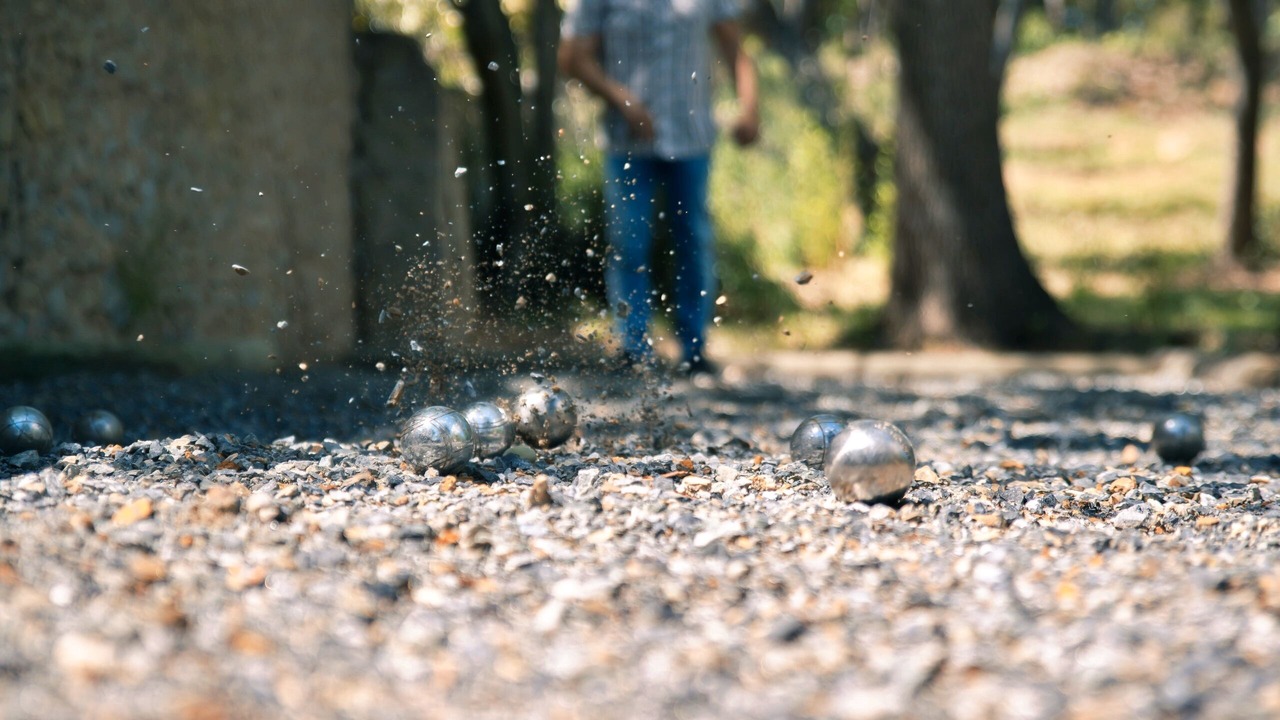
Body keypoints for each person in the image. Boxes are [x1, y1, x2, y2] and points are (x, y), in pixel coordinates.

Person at [558, 0, 759, 376]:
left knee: (693, 241)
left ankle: (694, 349)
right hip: (627, 141)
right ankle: (634, 351)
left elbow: (735, 48)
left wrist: (750, 108)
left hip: (691, 137)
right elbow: (572, 57)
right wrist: (622, 98)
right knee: (629, 244)